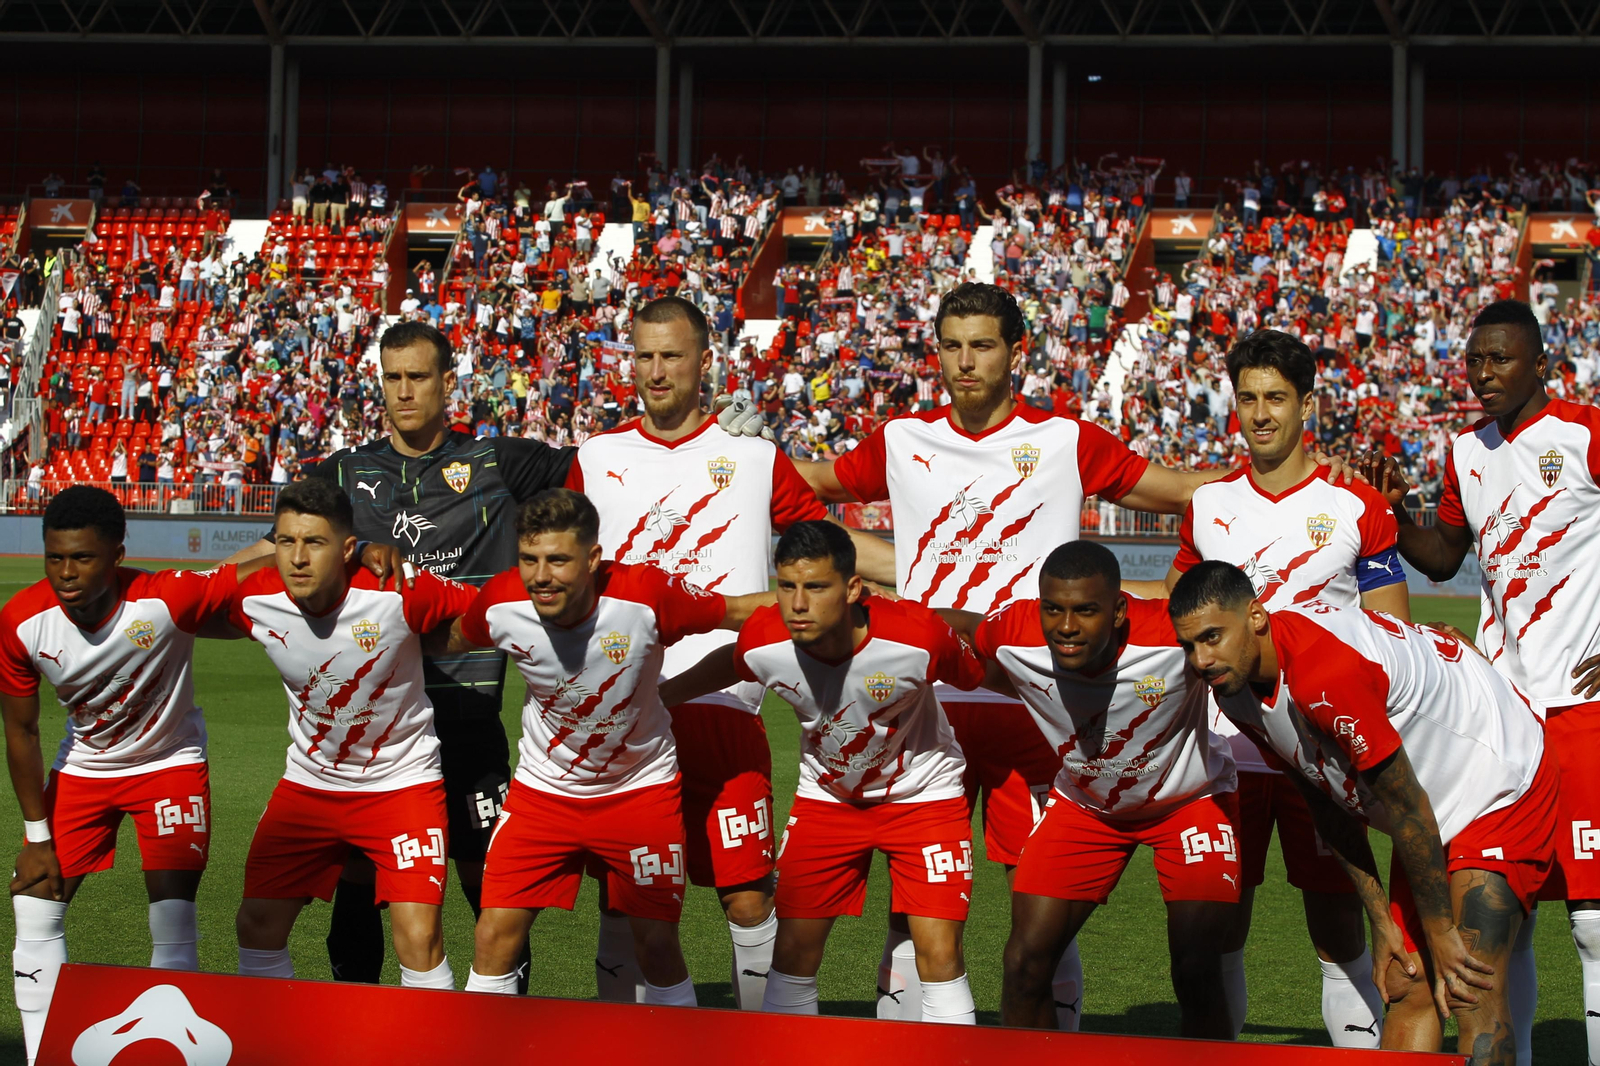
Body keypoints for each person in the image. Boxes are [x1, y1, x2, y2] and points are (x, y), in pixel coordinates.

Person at [221, 319, 766, 989]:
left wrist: (710, 442)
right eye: (392, 379)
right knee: (361, 896)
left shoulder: (501, 463)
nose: (404, 392)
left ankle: (496, 1033)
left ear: (449, 383)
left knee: (495, 901)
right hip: (376, 731)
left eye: (418, 377)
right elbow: (284, 540)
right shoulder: (346, 472)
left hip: (468, 714)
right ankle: (358, 1032)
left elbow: (618, 467)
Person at [792, 281, 1231, 1028]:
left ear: (1016, 352)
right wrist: (731, 459)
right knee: (912, 905)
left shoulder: (1066, 440)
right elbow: (804, 493)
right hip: (920, 698)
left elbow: (1183, 491)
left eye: (983, 345)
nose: (965, 362)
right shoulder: (901, 440)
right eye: (952, 345)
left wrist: (1290, 479)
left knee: (1041, 903)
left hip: (1034, 703)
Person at [564, 296, 894, 1009]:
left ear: (704, 361)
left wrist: (920, 572)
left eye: (672, 355)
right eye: (645, 355)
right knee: (626, 901)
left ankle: (762, 1042)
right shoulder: (596, 456)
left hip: (723, 704)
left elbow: (827, 547)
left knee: (746, 896)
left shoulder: (752, 456)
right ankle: (624, 1047)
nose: (657, 372)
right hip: (624, 710)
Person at [1126, 328, 1406, 1046]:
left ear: (1306, 404)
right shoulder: (1209, 505)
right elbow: (1179, 610)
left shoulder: (1357, 507)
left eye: (1275, 397)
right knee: (1222, 923)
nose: (1259, 413)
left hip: (1321, 749)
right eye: (1247, 397)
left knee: (1336, 920)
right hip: (1225, 749)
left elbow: (1392, 639)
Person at [1169, 561, 1559, 1065]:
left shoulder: (1323, 675)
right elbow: (1321, 796)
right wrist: (1383, 922)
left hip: (1500, 776)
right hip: (1430, 800)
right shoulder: (1233, 685)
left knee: (1468, 988)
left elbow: (1407, 808)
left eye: (1213, 637)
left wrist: (1439, 933)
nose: (1201, 659)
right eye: (1189, 645)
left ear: (1257, 616)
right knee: (1405, 981)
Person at [1359, 297, 1600, 1066]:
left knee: (1593, 921)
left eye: (1499, 359)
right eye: (1474, 361)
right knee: (1504, 912)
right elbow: (1444, 556)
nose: (1483, 373)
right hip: (1506, 718)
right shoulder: (1466, 449)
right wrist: (1392, 518)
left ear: (1540, 364)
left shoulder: (1585, 432)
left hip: (1585, 707)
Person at [442, 489, 772, 1001]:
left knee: (657, 944)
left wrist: (833, 604)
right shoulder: (502, 601)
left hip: (640, 793)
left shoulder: (646, 595)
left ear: (594, 559)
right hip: (542, 796)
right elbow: (449, 637)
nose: (541, 576)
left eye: (557, 560)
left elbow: (740, 611)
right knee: (492, 934)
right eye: (529, 559)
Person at [660, 521, 985, 1023]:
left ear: (854, 588)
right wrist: (660, 699)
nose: (798, 604)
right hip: (828, 801)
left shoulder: (917, 637)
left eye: (815, 587)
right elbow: (732, 660)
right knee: (792, 959)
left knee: (940, 956)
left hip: (925, 798)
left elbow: (976, 671)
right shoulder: (765, 639)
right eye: (787, 587)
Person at [0, 488, 251, 1064]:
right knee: (34, 909)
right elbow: (22, 733)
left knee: (172, 918)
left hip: (169, 767)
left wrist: (347, 549)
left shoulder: (165, 597)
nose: (66, 573)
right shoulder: (20, 622)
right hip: (85, 769)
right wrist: (37, 838)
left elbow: (262, 559)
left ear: (117, 553)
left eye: (83, 559)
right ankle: (41, 1053)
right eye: (55, 557)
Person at [954, 541, 1238, 1037]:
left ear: (1119, 610)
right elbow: (954, 628)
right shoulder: (1013, 633)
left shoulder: (1173, 635)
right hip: (1086, 809)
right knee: (1024, 964)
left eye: (1086, 610)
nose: (1066, 627)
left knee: (1196, 968)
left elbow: (1251, 650)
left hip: (1190, 803)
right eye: (1054, 610)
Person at [225, 479, 476, 990]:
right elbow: (177, 599)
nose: (297, 558)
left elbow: (486, 612)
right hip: (309, 786)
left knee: (419, 937)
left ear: (343, 549)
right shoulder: (255, 597)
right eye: (286, 541)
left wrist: (424, 639)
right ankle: (276, 1044)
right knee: (256, 925)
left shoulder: (396, 590)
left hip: (401, 784)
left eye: (313, 543)